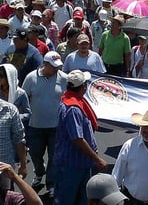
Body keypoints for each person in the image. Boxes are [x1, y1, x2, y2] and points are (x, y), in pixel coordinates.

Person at [54, 70, 107, 204]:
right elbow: (77, 139)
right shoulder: (74, 109)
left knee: (82, 198)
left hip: (79, 162)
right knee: (68, 199)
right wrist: (97, 159)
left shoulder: (69, 101)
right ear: (83, 87)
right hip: (73, 164)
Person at [21, 51, 67, 197]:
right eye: (53, 66)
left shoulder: (64, 78)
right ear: (45, 65)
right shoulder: (31, 78)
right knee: (35, 155)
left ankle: (51, 183)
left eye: (58, 66)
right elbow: (23, 97)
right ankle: (40, 172)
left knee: (54, 157)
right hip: (35, 126)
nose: (56, 69)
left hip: (56, 127)